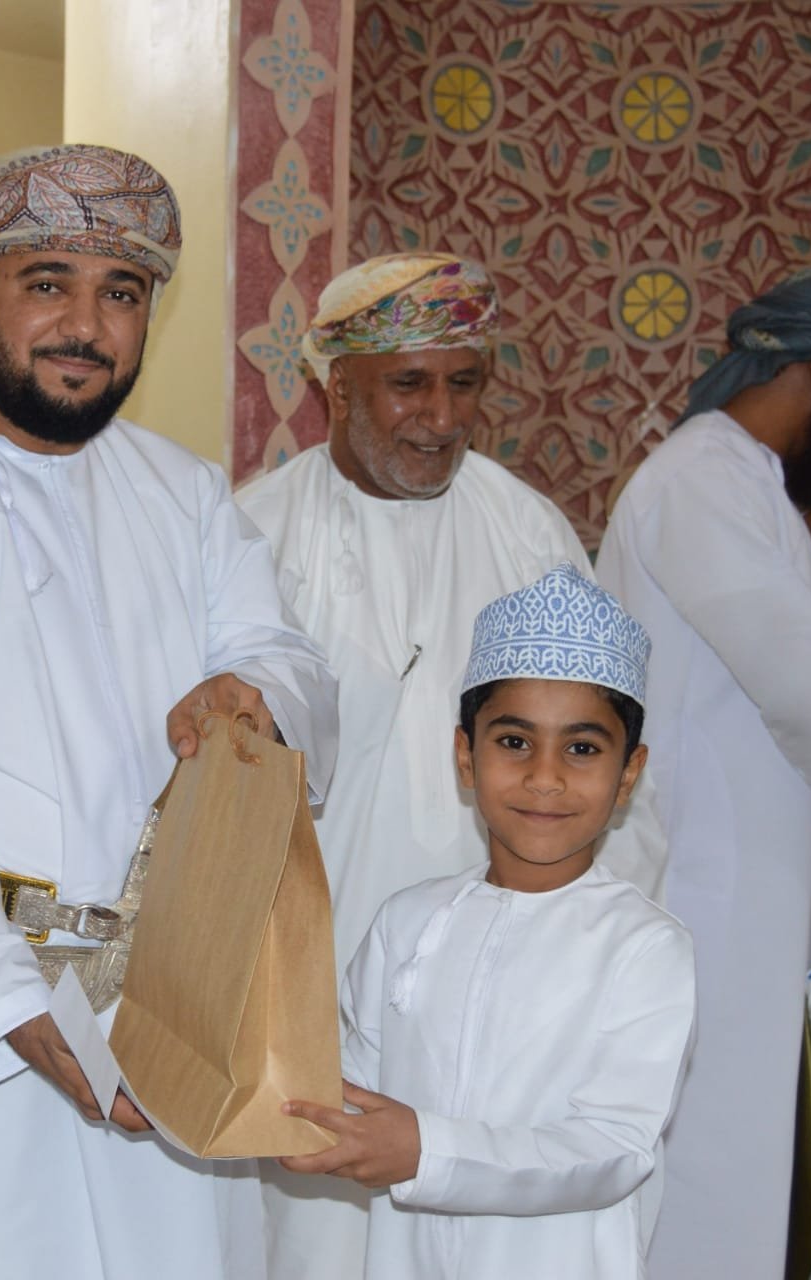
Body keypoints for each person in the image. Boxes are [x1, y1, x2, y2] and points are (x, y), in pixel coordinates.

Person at [0, 144, 338, 1280]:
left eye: (121, 292)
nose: (85, 325)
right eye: (48, 283)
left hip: (171, 999)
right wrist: (22, 1016)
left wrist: (257, 697)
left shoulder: (184, 494)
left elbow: (285, 657)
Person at [236, 251, 669, 1278]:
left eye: (464, 382)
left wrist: (589, 963)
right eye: (408, 383)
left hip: (498, 991)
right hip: (308, 991)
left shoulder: (524, 531)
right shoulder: (253, 533)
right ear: (337, 385)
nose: (441, 416)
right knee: (311, 1246)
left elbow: (598, 750)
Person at [280, 563, 696, 1280]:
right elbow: (343, 1087)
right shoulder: (408, 921)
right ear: (465, 756)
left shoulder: (645, 947)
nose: (544, 777)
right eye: (513, 742)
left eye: (582, 748)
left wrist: (429, 1152)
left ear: (628, 774)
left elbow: (614, 1147)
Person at [596, 266, 811, 1280]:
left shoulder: (746, 482)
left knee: (743, 1155)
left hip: (752, 885)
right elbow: (806, 678)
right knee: (710, 1158)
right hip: (708, 884)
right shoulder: (700, 479)